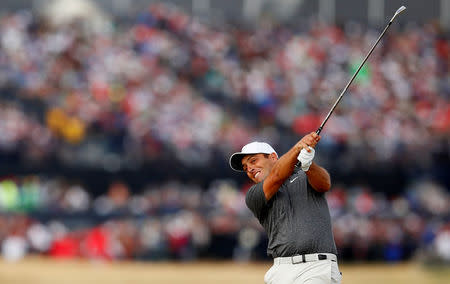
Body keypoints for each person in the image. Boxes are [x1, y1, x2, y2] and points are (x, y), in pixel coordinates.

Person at [229, 132, 342, 284]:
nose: (249, 168)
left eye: (254, 161)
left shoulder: (304, 175)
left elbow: (324, 184)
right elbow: (276, 177)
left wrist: (309, 165)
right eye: (245, 167)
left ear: (273, 157)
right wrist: (298, 148)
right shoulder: (253, 194)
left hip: (317, 267)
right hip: (280, 271)